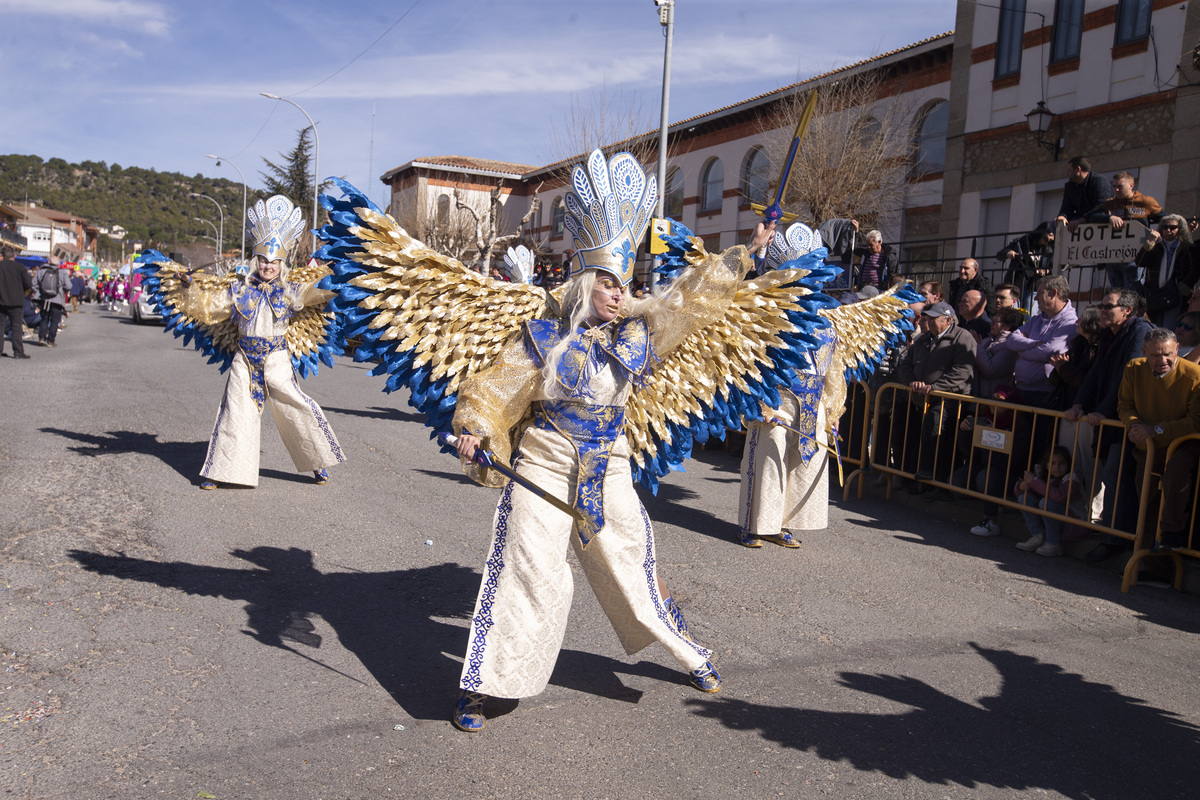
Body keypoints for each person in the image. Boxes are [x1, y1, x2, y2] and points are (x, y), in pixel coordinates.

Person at [447, 152, 768, 733]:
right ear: (587, 280)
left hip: (608, 468)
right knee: (528, 567)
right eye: (610, 283)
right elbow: (493, 392)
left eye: (626, 283)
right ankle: (489, 685)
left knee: (631, 567)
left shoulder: (642, 336)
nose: (621, 294)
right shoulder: (543, 338)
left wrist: (746, 251)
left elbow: (694, 298)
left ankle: (690, 654)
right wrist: (473, 430)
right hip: (543, 464)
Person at [162, 195, 345, 490]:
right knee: (236, 411)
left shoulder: (291, 290)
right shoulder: (239, 290)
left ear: (281, 263)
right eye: (263, 260)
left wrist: (340, 271)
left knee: (295, 407)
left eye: (273, 261)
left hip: (276, 359)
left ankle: (316, 462)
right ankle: (222, 471)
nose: (268, 266)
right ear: (255, 260)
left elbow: (321, 290)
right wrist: (189, 287)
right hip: (244, 359)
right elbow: (208, 308)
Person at [968, 275, 1077, 538]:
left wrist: (1028, 348)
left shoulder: (1070, 322)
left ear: (1052, 293)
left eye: (1039, 293)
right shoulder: (1037, 319)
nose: (1036, 298)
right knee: (1003, 452)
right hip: (1021, 394)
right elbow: (1014, 341)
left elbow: (1051, 349)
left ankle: (1034, 518)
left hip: (1045, 398)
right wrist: (1036, 347)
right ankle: (994, 514)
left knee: (1035, 455)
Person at [1117, 328, 1200, 551]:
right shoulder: (1133, 369)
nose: (1162, 360)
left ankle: (1169, 540)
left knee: (1176, 478)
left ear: (1177, 350)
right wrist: (1133, 424)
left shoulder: (1193, 375)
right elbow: (1125, 406)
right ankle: (1144, 558)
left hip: (1182, 444)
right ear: (1144, 352)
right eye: (1155, 355)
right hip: (1147, 447)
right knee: (1147, 502)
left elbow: (1195, 421)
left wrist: (1156, 429)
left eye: (1167, 354)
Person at [893, 302, 976, 490]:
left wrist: (935, 387)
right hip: (920, 397)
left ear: (947, 320)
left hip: (948, 399)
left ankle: (933, 481)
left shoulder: (962, 337)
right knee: (906, 430)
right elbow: (905, 364)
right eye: (927, 318)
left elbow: (962, 371)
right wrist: (912, 382)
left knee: (936, 433)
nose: (928, 322)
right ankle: (909, 476)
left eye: (933, 319)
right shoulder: (923, 339)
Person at [1092, 171, 1162, 290]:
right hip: (1113, 256)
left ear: (1131, 185)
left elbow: (1165, 218)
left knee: (1132, 294)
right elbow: (1092, 217)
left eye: (1120, 186)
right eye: (1114, 186)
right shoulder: (1110, 204)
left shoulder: (1145, 202)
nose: (1116, 190)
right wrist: (1109, 217)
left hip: (1135, 257)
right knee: (1117, 293)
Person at [1014, 446, 1086, 557]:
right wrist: (1021, 486)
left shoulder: (1072, 478)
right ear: (1046, 465)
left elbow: (1058, 496)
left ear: (1068, 464)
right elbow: (1031, 494)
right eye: (1052, 463)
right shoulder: (1046, 477)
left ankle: (1053, 543)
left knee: (1045, 503)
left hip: (1073, 521)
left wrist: (1034, 481)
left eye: (1061, 463)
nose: (1057, 467)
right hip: (1055, 519)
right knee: (1024, 498)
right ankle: (1037, 535)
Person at [1135, 214, 1196, 327]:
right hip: (1155, 293)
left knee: (1170, 327)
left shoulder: (1187, 248)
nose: (1168, 230)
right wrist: (1150, 242)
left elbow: (1194, 271)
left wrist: (1183, 287)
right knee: (1154, 326)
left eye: (1172, 227)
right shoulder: (1157, 246)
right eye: (1165, 227)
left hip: (1175, 294)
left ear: (1180, 229)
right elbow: (1140, 262)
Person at [997, 223, 1053, 312]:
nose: (1052, 238)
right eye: (1050, 235)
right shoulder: (1021, 243)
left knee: (1030, 317)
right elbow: (999, 254)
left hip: (1034, 287)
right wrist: (1008, 253)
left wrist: (1046, 271)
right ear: (1043, 233)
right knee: (1013, 314)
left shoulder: (1048, 249)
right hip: (1016, 285)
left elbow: (1052, 266)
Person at [1054, 156, 1112, 232]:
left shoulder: (1099, 181)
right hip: (1079, 218)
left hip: (1096, 217)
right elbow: (1066, 208)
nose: (1067, 173)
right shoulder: (1070, 186)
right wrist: (1062, 216)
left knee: (1094, 218)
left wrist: (1082, 220)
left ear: (1078, 169)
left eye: (1069, 170)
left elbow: (1101, 206)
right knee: (1053, 224)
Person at [0, 245, 32, 359]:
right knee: (16, 326)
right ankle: (18, 351)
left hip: (1, 300)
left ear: (2, 255)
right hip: (16, 300)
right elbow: (29, 284)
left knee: (0, 325)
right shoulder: (20, 267)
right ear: (14, 255)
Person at [33, 256, 70, 347]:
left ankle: (41, 338)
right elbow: (69, 286)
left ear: (49, 262)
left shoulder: (41, 271)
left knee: (44, 319)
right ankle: (50, 341)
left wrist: (39, 291)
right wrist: (61, 290)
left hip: (44, 299)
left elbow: (33, 283)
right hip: (57, 300)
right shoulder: (62, 273)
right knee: (54, 321)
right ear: (58, 264)